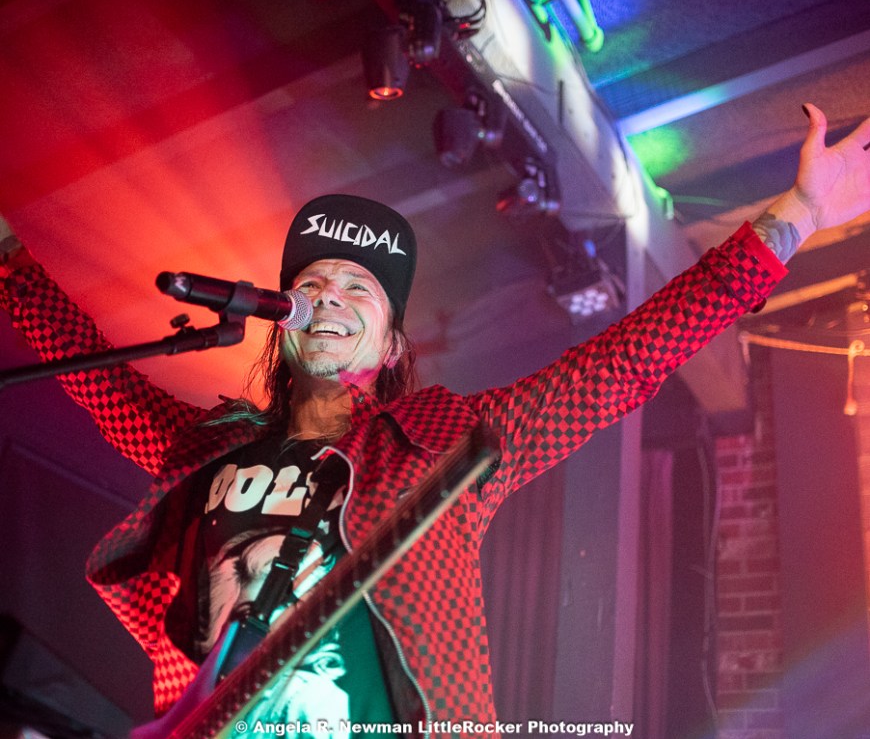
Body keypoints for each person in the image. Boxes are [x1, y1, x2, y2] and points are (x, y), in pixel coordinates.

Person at [1, 104, 869, 736]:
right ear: (281, 319)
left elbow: (623, 363)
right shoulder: (207, 447)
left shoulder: (443, 440)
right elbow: (89, 371)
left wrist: (795, 217)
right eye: (311, 284)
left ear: (389, 341)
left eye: (357, 289)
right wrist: (8, 259)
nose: (328, 298)